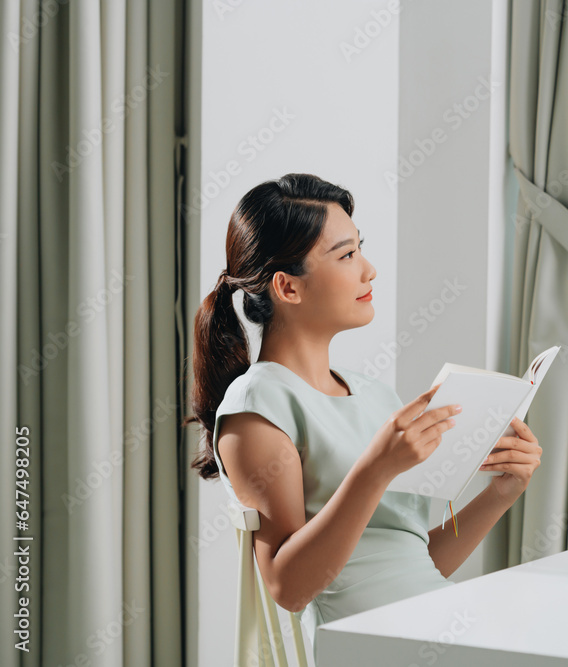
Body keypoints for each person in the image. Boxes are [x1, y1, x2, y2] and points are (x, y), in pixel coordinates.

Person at [185, 173, 542, 649]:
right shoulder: (257, 408)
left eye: (360, 249)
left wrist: (502, 492)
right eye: (347, 255)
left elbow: (414, 564)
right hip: (361, 644)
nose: (369, 270)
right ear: (287, 288)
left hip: (435, 620)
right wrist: (375, 469)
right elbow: (288, 589)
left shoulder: (374, 394)